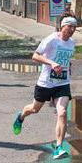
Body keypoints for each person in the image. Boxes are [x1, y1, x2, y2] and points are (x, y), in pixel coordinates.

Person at [13, 15, 77, 159]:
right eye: (70, 26)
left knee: (62, 112)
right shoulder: (51, 39)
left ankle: (58, 147)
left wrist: (67, 69)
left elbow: (67, 61)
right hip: (46, 83)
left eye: (75, 27)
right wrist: (51, 63)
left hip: (62, 83)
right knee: (34, 109)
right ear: (62, 26)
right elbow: (35, 56)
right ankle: (21, 116)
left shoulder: (72, 43)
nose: (72, 30)